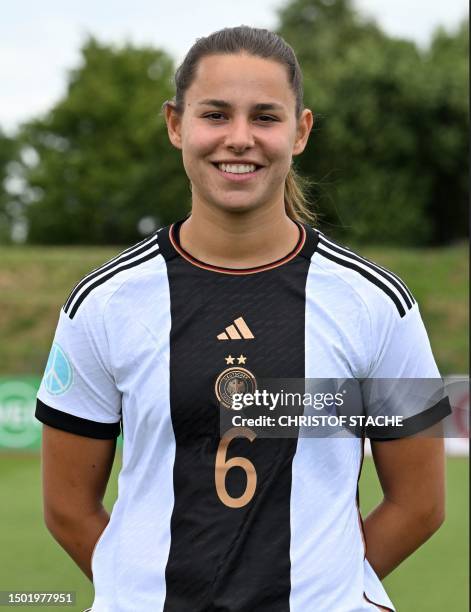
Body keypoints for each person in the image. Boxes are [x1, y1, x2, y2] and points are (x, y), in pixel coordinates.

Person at [36, 25, 450, 612]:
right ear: (176, 124)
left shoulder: (378, 303)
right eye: (214, 115)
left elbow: (420, 504)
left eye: (264, 117)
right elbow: (67, 510)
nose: (239, 138)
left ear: (300, 131)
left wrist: (315, 590)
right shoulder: (103, 303)